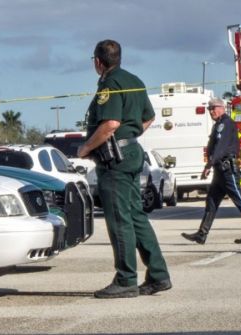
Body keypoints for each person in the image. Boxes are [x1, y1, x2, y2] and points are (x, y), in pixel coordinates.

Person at [77, 39, 171, 299]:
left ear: (98, 61)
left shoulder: (110, 83)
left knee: (119, 220)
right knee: (136, 216)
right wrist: (132, 135)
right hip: (131, 153)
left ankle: (126, 279)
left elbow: (111, 123)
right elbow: (149, 116)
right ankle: (159, 275)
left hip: (115, 159)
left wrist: (85, 148)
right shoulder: (135, 80)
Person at [181, 97, 241, 245]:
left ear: (222, 107)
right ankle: (202, 234)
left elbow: (221, 148)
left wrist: (209, 165)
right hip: (220, 171)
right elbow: (212, 146)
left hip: (228, 170)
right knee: (211, 201)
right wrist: (208, 166)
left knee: (240, 201)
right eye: (209, 109)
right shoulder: (218, 124)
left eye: (213, 108)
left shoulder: (227, 123)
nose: (211, 111)